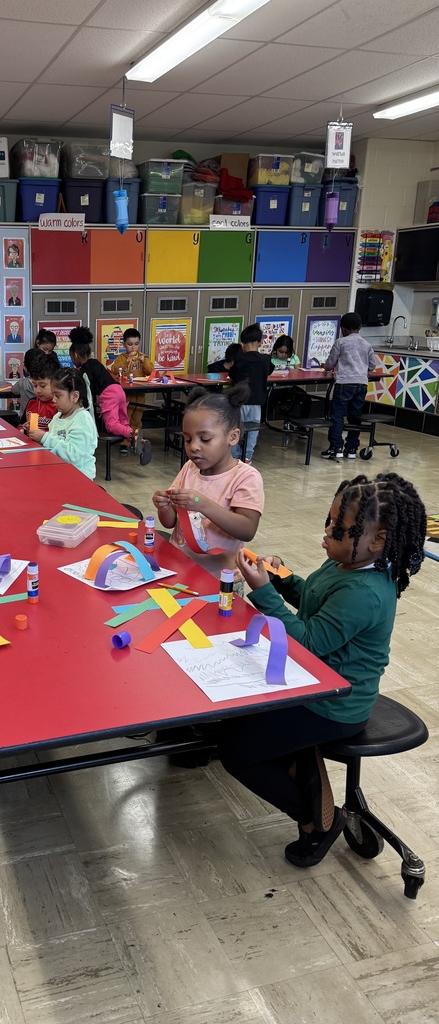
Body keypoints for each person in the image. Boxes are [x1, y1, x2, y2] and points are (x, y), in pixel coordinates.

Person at [219, 472, 426, 867]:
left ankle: (316, 820)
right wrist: (281, 579)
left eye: (339, 528)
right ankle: (301, 760)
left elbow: (310, 642)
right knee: (237, 719)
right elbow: (314, 599)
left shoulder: (364, 592)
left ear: (378, 540)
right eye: (329, 521)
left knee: (236, 753)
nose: (328, 532)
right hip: (313, 685)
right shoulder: (346, 564)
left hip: (335, 706)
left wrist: (263, 592)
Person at [152, 381, 263, 577]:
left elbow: (247, 530)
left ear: (233, 437)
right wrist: (164, 507)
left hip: (220, 577)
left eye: (205, 439)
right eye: (188, 439)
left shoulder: (245, 477)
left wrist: (203, 505)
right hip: (179, 569)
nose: (194, 446)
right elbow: (170, 523)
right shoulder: (189, 468)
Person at [69, 326, 151, 465]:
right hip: (119, 391)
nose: (72, 360)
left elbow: (87, 390)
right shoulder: (95, 363)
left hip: (109, 395)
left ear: (75, 354)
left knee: (111, 425)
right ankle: (141, 443)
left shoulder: (85, 369)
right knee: (123, 424)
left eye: (71, 356)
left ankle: (133, 435)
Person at [321, 312, 377, 460]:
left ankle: (336, 447)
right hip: (361, 384)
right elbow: (372, 366)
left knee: (337, 415)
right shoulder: (367, 344)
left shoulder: (340, 342)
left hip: (344, 383)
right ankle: (351, 448)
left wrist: (325, 366)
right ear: (360, 327)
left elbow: (330, 363)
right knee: (355, 416)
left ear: (343, 329)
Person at [28, 368, 98, 479]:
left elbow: (72, 454)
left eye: (58, 395)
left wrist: (44, 437)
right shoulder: (58, 416)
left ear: (75, 396)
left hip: (79, 478)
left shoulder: (82, 420)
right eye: (53, 395)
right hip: (60, 473)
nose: (53, 400)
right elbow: (53, 446)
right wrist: (36, 435)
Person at [228, 323, 272, 464]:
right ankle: (247, 456)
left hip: (240, 400)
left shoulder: (240, 359)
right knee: (253, 430)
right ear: (260, 342)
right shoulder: (265, 359)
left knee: (236, 428)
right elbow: (270, 370)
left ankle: (234, 455)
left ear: (243, 344)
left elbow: (232, 373)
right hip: (256, 401)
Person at [109, 328, 153, 456]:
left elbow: (150, 371)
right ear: (124, 345)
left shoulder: (143, 357)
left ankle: (137, 441)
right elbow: (115, 370)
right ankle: (125, 442)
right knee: (126, 418)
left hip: (139, 393)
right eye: (130, 344)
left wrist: (144, 362)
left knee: (137, 419)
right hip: (126, 395)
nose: (133, 347)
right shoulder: (121, 358)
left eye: (136, 344)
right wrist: (126, 361)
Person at [21, 352, 60, 432]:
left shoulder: (59, 406)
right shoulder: (32, 403)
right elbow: (21, 426)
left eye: (43, 386)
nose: (38, 390)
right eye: (35, 385)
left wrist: (43, 436)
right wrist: (23, 430)